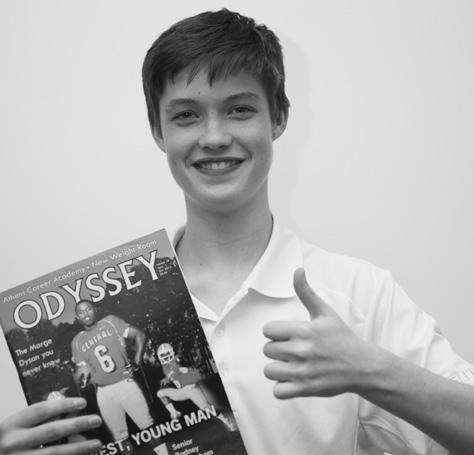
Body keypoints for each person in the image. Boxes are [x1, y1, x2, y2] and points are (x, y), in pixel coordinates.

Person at [1, 8, 474, 455]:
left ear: (279, 118)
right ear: (158, 131)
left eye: (239, 109)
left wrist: (373, 372)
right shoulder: (124, 300)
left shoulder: (357, 294)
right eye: (186, 115)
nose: (213, 137)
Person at [71, 300, 168, 455]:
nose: (86, 314)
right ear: (77, 317)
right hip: (103, 392)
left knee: (147, 425)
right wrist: (81, 377)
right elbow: (81, 372)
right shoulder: (77, 342)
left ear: (95, 309)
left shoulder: (110, 322)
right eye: (81, 312)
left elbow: (139, 335)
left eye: (88, 309)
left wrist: (137, 359)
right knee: (119, 437)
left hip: (125, 384)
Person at [155, 343, 236, 431]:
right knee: (160, 393)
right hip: (181, 392)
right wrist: (167, 379)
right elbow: (173, 375)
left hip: (192, 389)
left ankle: (227, 422)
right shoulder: (165, 368)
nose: (165, 357)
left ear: (172, 352)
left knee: (208, 409)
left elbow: (189, 368)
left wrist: (186, 368)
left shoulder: (178, 359)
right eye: (163, 355)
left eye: (167, 353)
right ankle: (174, 412)